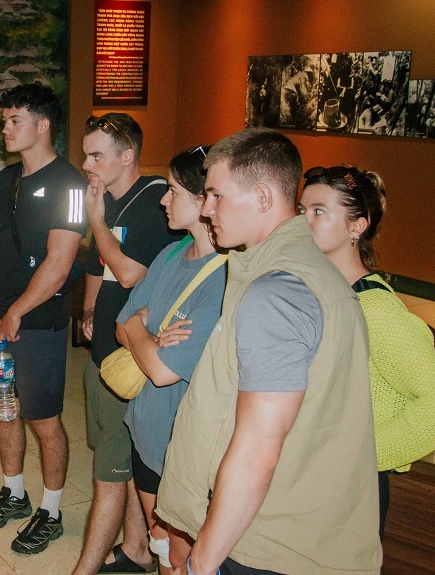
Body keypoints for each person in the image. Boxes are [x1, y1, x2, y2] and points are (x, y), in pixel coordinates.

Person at [157, 128, 381, 575]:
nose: (206, 208)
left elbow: (259, 445)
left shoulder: (275, 294)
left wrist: (203, 559)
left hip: (267, 545)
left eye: (216, 196)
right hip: (291, 529)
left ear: (262, 197)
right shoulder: (300, 272)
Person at [0, 82, 87, 555]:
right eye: (4, 120)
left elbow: (60, 262)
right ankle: (15, 492)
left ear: (42, 126)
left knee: (43, 420)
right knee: (5, 408)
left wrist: (19, 310)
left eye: (14, 120)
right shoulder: (6, 179)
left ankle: (52, 509)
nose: (5, 127)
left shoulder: (71, 185)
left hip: (39, 322)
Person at [299, 165, 435, 538]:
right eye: (301, 211)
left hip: (346, 487)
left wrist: (358, 454)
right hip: (302, 475)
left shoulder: (374, 309)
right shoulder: (314, 290)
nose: (303, 222)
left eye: (318, 212)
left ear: (356, 226)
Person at [74, 113, 183, 575]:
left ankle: (87, 566)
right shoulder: (111, 198)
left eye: (96, 155)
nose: (86, 163)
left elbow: (130, 271)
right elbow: (101, 265)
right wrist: (90, 309)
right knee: (122, 459)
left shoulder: (154, 201)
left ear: (127, 157)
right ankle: (137, 546)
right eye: (85, 153)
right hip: (106, 348)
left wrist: (95, 219)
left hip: (135, 356)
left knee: (111, 475)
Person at [114, 145, 227, 574]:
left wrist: (143, 330)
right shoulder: (170, 254)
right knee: (162, 549)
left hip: (186, 452)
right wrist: (152, 336)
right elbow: (119, 327)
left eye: (174, 191)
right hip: (147, 432)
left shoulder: (224, 277)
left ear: (204, 202)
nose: (163, 199)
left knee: (185, 561)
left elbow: (162, 371)